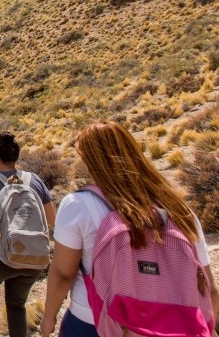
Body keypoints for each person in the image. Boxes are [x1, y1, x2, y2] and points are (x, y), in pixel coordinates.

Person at [41, 121, 219, 337]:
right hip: (174, 324)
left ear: (91, 161)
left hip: (94, 323)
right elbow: (207, 285)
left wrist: (49, 318)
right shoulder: (177, 207)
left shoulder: (78, 205)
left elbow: (63, 273)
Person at [0, 132, 56, 337]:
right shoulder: (34, 181)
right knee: (17, 305)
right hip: (32, 258)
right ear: (16, 156)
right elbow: (51, 220)